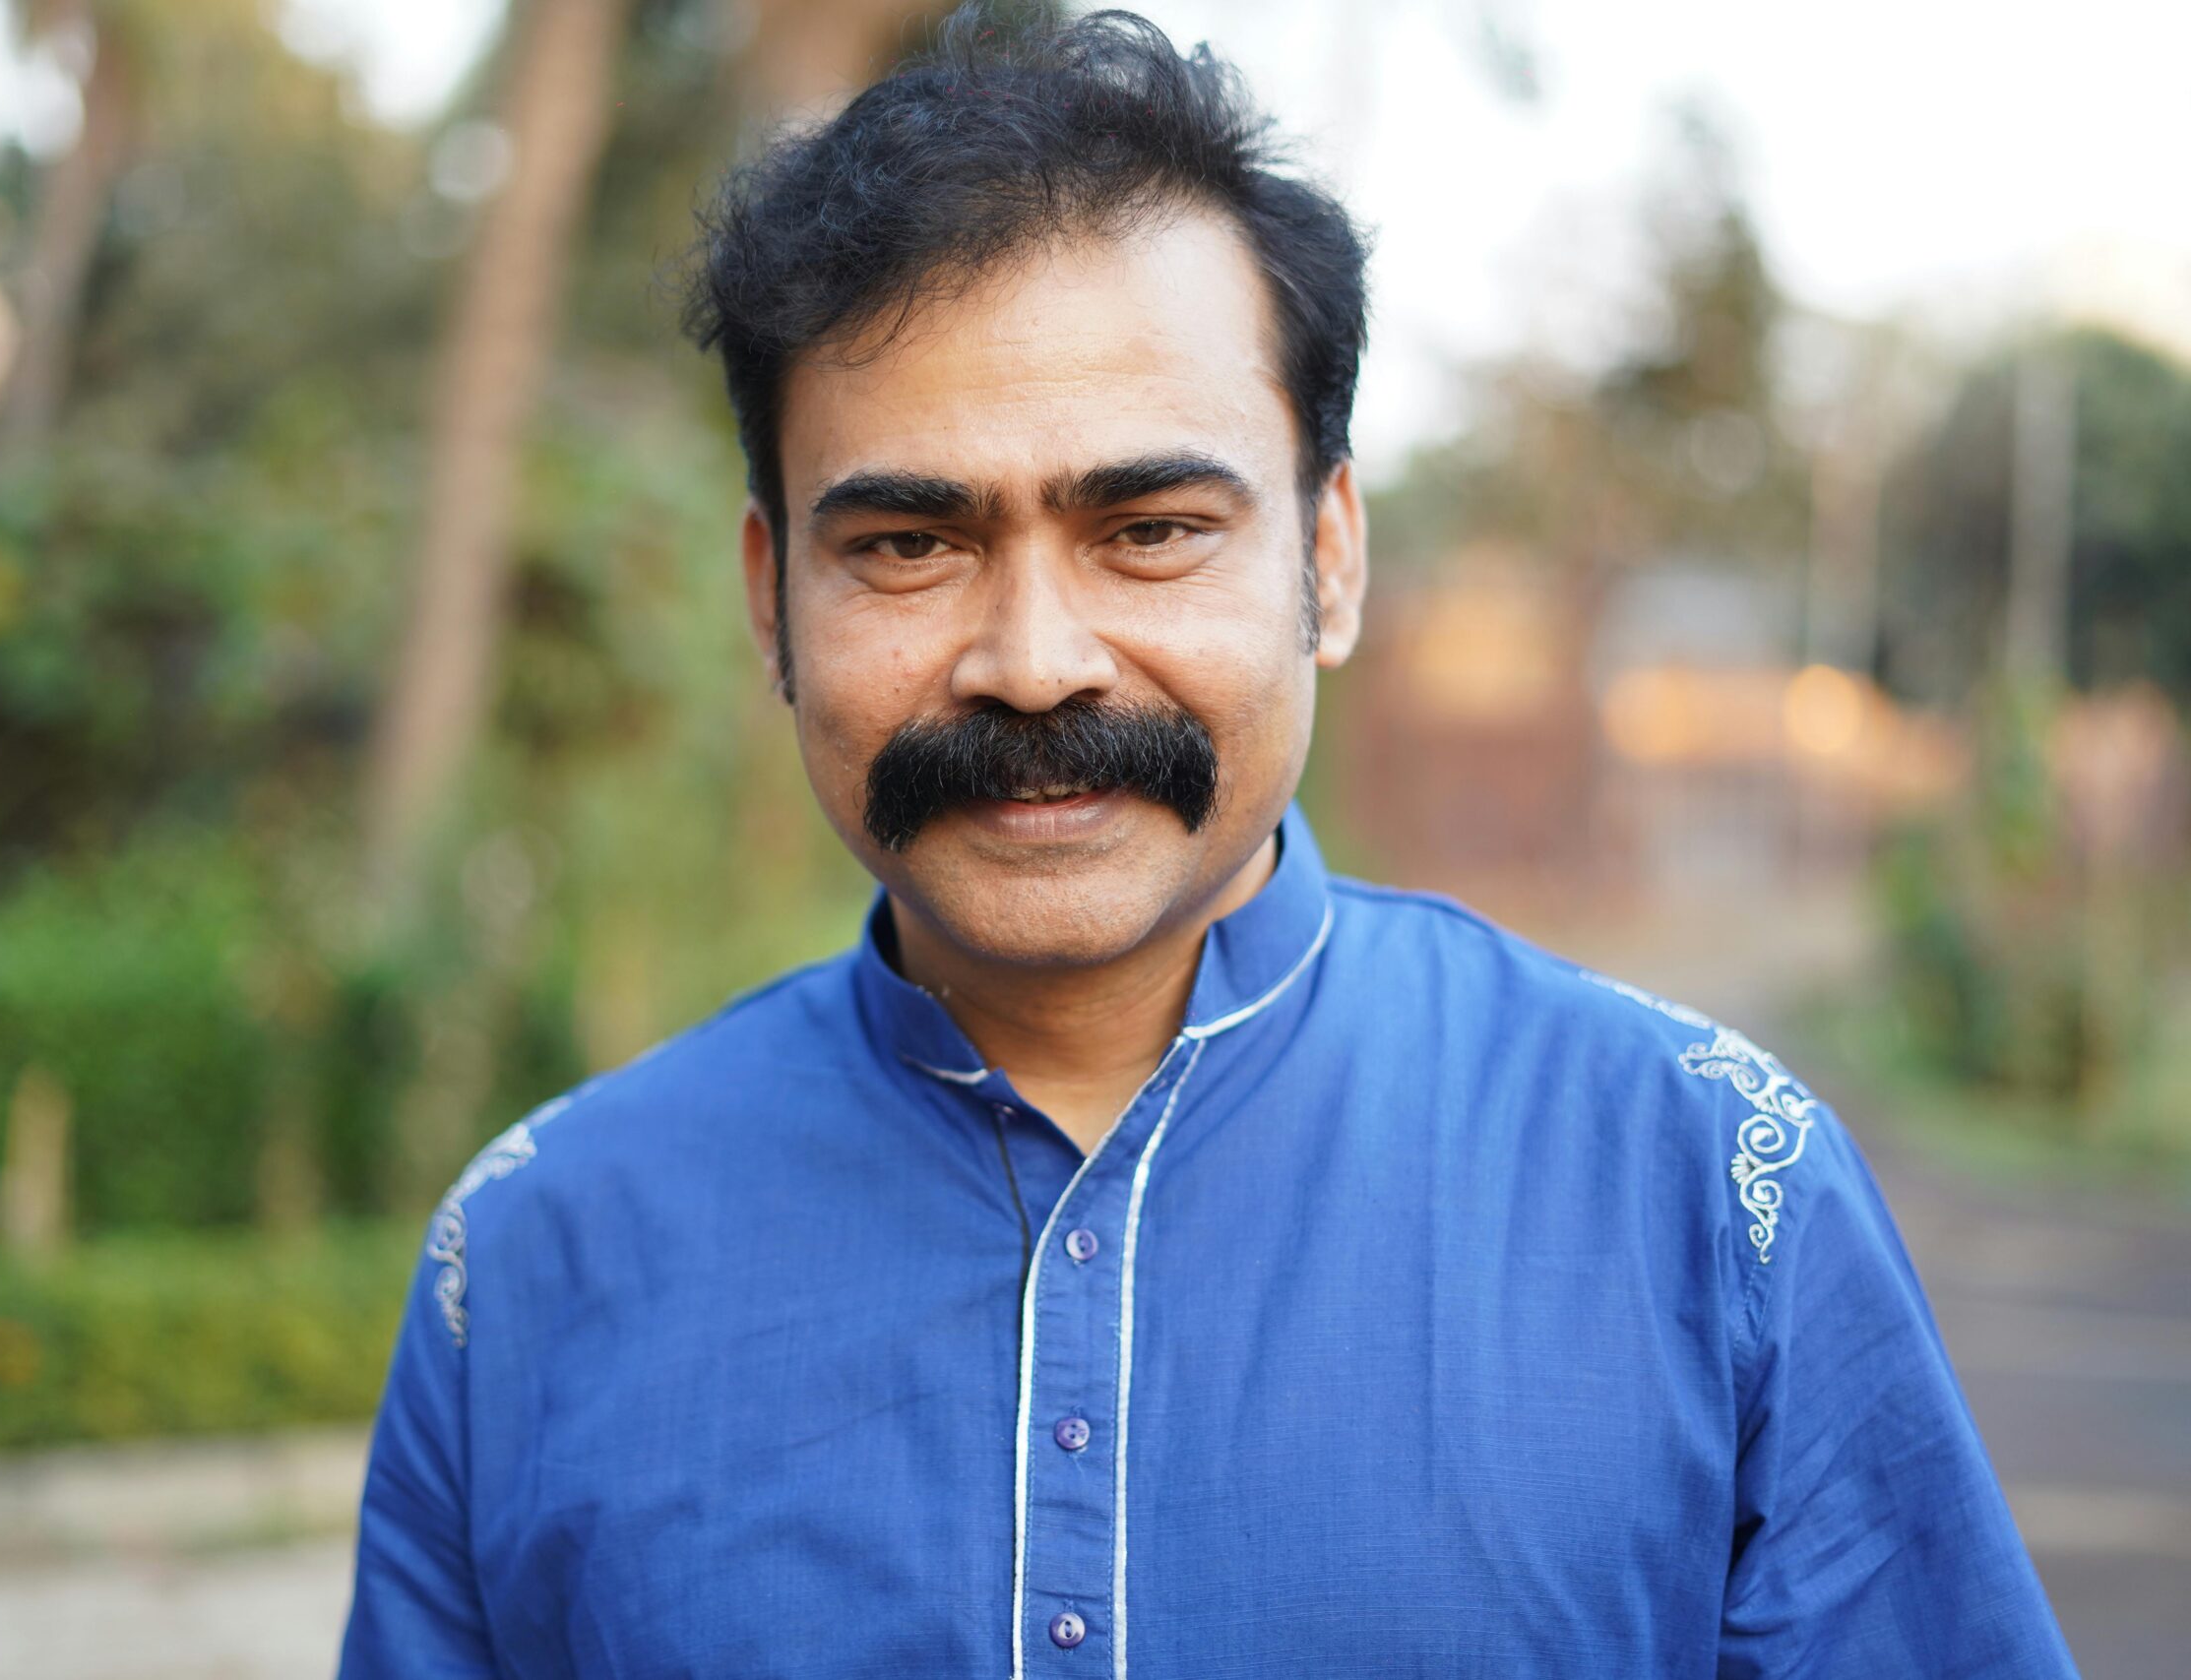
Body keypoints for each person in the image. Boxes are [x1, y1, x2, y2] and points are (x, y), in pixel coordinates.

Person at [338, 8, 2079, 1675]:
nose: (1033, 661)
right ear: (769, 594)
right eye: (908, 548)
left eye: (1151, 528)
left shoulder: (1709, 1197)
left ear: (1328, 559)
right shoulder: (542, 1265)